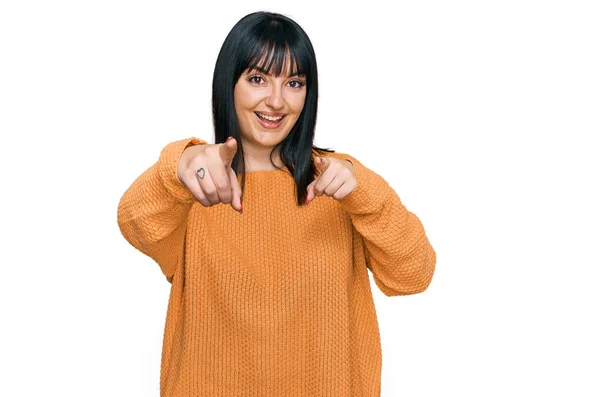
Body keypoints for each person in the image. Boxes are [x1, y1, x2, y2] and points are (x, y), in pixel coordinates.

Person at [117, 10, 436, 397]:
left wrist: (365, 192)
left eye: (294, 83)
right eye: (257, 79)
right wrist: (178, 165)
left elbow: (414, 275)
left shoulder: (339, 185)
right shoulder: (196, 189)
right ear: (228, 85)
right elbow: (134, 221)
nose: (276, 100)